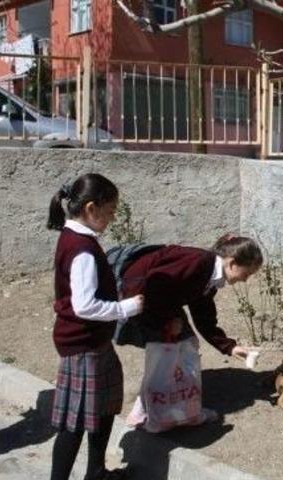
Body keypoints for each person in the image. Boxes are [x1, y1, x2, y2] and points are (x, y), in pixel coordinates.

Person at [47, 173, 143, 480]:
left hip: (94, 342)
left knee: (104, 406)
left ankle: (96, 472)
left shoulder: (77, 239)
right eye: (111, 210)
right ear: (91, 208)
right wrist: (126, 308)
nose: (113, 217)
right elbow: (84, 305)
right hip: (83, 346)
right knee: (75, 422)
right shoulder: (82, 250)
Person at [119, 234, 262, 429]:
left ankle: (160, 410)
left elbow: (203, 316)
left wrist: (229, 347)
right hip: (138, 296)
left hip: (156, 301)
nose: (245, 280)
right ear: (232, 263)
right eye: (247, 273)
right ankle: (149, 412)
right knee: (165, 350)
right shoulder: (197, 264)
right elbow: (154, 285)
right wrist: (167, 322)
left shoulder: (209, 276)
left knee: (183, 344)